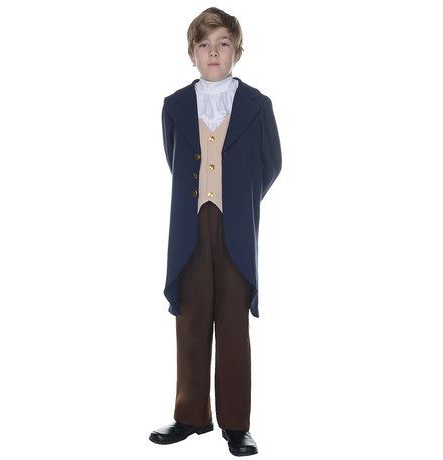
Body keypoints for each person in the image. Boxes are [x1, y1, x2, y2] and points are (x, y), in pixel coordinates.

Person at [149, 7, 282, 457]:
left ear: (237, 53)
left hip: (235, 226)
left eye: (223, 43)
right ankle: (191, 415)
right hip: (189, 225)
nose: (213, 52)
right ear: (191, 54)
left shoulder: (257, 106)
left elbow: (271, 163)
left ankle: (236, 423)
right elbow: (174, 160)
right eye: (203, 44)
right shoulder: (174, 106)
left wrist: (240, 197)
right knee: (190, 318)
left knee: (232, 322)